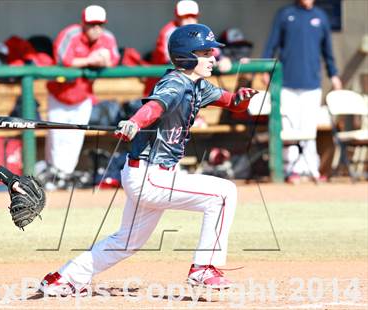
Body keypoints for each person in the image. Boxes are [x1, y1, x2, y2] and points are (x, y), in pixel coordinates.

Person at [39, 24, 258, 295]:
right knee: (224, 193)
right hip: (151, 176)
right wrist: (134, 121)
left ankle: (65, 278)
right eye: (205, 52)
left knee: (127, 242)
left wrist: (241, 99)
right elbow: (154, 107)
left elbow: (231, 101)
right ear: (187, 55)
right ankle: (204, 267)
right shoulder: (175, 82)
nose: (213, 57)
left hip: (148, 175)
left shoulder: (197, 84)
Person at [262, 0, 342, 183]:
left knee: (308, 128)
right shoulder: (285, 14)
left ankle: (310, 170)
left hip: (312, 84)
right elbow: (271, 44)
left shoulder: (320, 17)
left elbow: (327, 51)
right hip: (286, 83)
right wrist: (266, 69)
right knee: (289, 128)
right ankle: (291, 170)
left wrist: (334, 75)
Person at [44, 4, 120, 189]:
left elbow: (115, 59)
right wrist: (89, 60)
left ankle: (65, 177)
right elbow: (62, 60)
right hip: (59, 96)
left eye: (99, 24)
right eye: (92, 24)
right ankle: (52, 176)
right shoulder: (70, 34)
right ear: (83, 23)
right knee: (57, 137)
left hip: (83, 97)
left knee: (75, 138)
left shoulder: (107, 38)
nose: (96, 29)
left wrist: (105, 61)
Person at [143, 0, 232, 95]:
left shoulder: (197, 31)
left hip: (185, 86)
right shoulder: (170, 32)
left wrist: (222, 59)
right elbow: (173, 61)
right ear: (177, 16)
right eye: (185, 16)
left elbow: (212, 50)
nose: (189, 19)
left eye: (192, 16)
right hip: (161, 85)